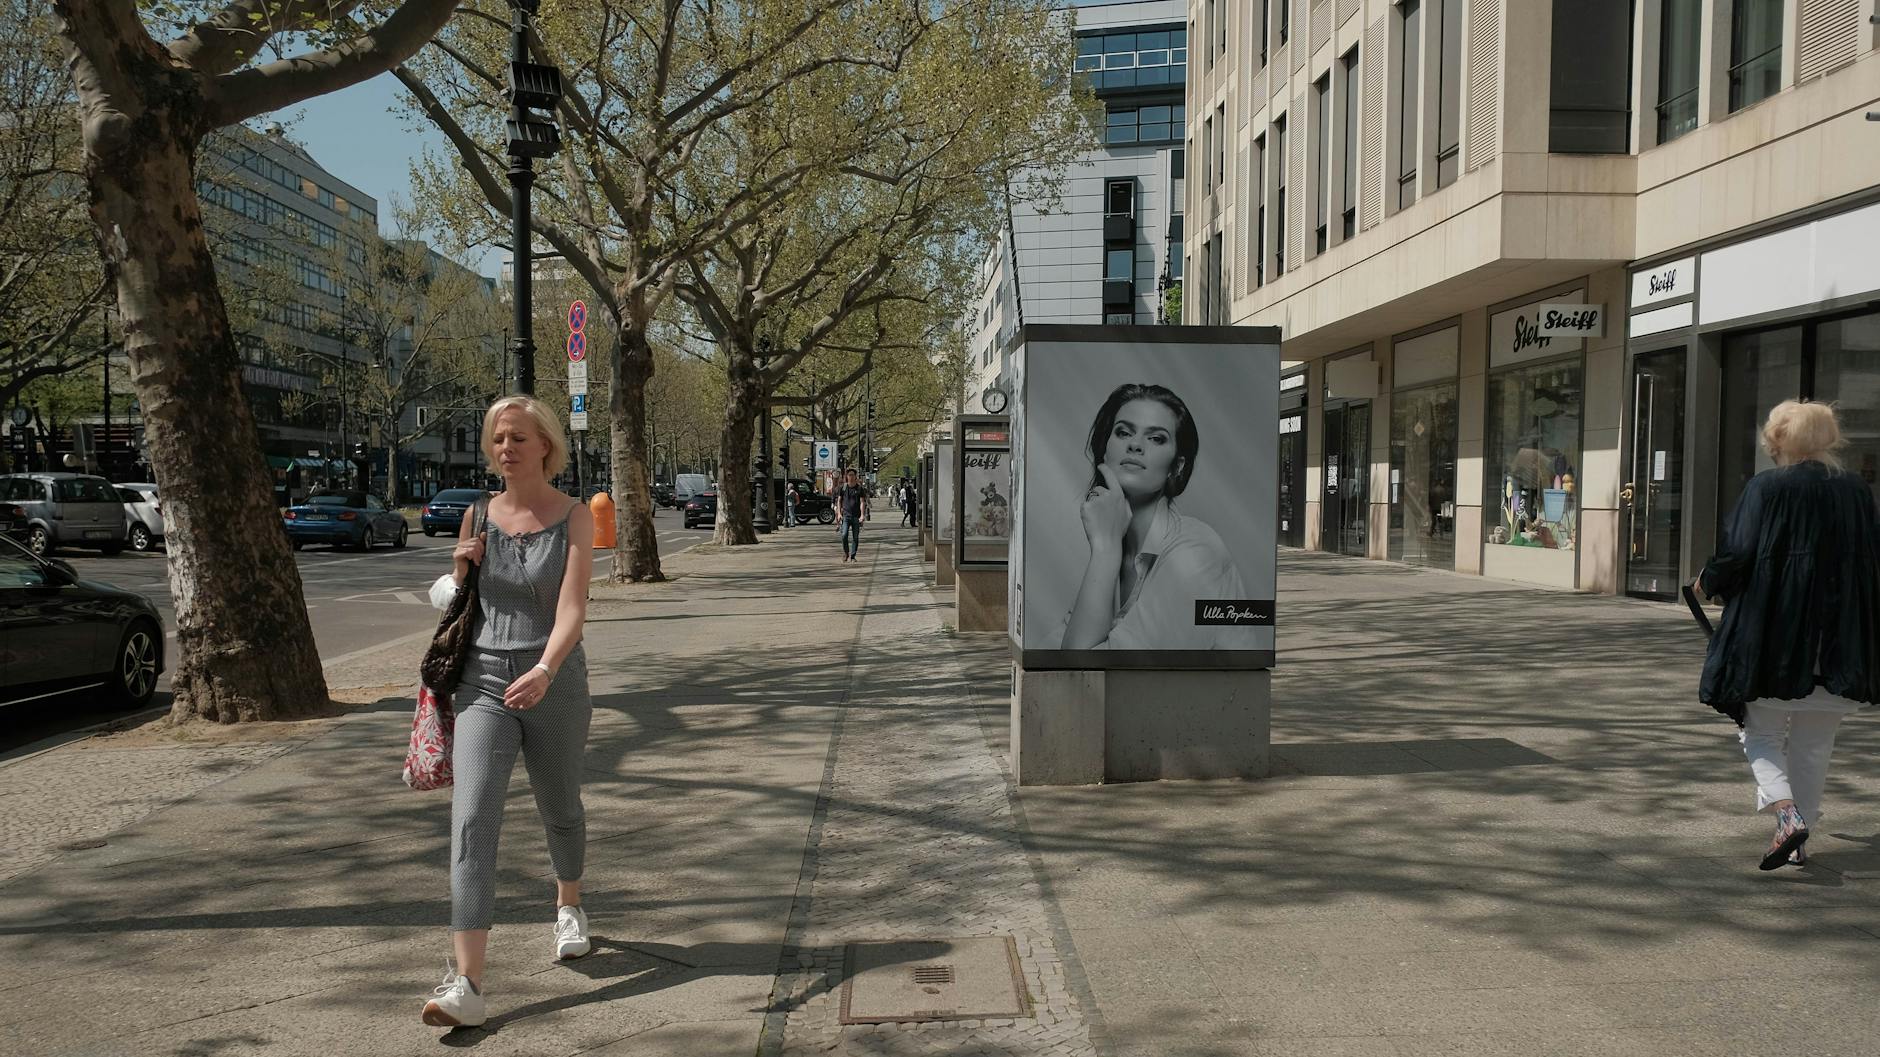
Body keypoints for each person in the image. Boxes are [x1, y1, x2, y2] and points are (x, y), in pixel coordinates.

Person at [422, 395, 597, 1029]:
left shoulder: (576, 517)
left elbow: (573, 609)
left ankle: (569, 904)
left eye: (518, 437)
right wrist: (458, 565)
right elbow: (455, 602)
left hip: (554, 679)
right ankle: (466, 982)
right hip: (483, 684)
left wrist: (546, 669)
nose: (505, 447)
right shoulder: (476, 514)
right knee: (471, 818)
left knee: (560, 805)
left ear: (546, 444)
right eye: (498, 437)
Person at [1695, 400, 1879, 871]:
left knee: (1761, 734)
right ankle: (1799, 841)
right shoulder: (1856, 490)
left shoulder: (1767, 487)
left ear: (1777, 440)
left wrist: (1707, 582)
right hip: (1840, 639)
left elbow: (1737, 551)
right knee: (1815, 744)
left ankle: (1786, 813)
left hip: (1775, 635)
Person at [1061, 383, 1253, 652]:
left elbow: (1082, 670)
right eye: (1124, 432)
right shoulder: (1118, 550)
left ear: (1177, 466)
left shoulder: (1196, 552)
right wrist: (1107, 551)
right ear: (1105, 450)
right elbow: (1064, 660)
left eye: (1156, 438)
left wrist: (1104, 550)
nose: (1135, 445)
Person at [835, 466, 869, 563]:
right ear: (847, 476)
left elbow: (862, 502)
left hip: (856, 516)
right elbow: (839, 500)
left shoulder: (859, 489)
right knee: (844, 535)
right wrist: (838, 513)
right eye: (849, 475)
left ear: (855, 476)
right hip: (845, 515)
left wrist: (862, 515)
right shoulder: (843, 488)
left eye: (852, 475)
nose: (850, 477)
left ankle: (853, 556)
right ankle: (846, 553)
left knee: (855, 537)